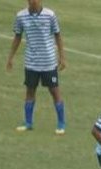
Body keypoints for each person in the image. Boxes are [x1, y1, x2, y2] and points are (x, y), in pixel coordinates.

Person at [6, 0, 67, 135]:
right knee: (30, 91)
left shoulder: (50, 15)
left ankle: (61, 123)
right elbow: (17, 36)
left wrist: (62, 57)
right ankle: (28, 122)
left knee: (54, 91)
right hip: (31, 62)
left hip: (48, 62)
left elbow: (58, 35)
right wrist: (10, 57)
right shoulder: (21, 16)